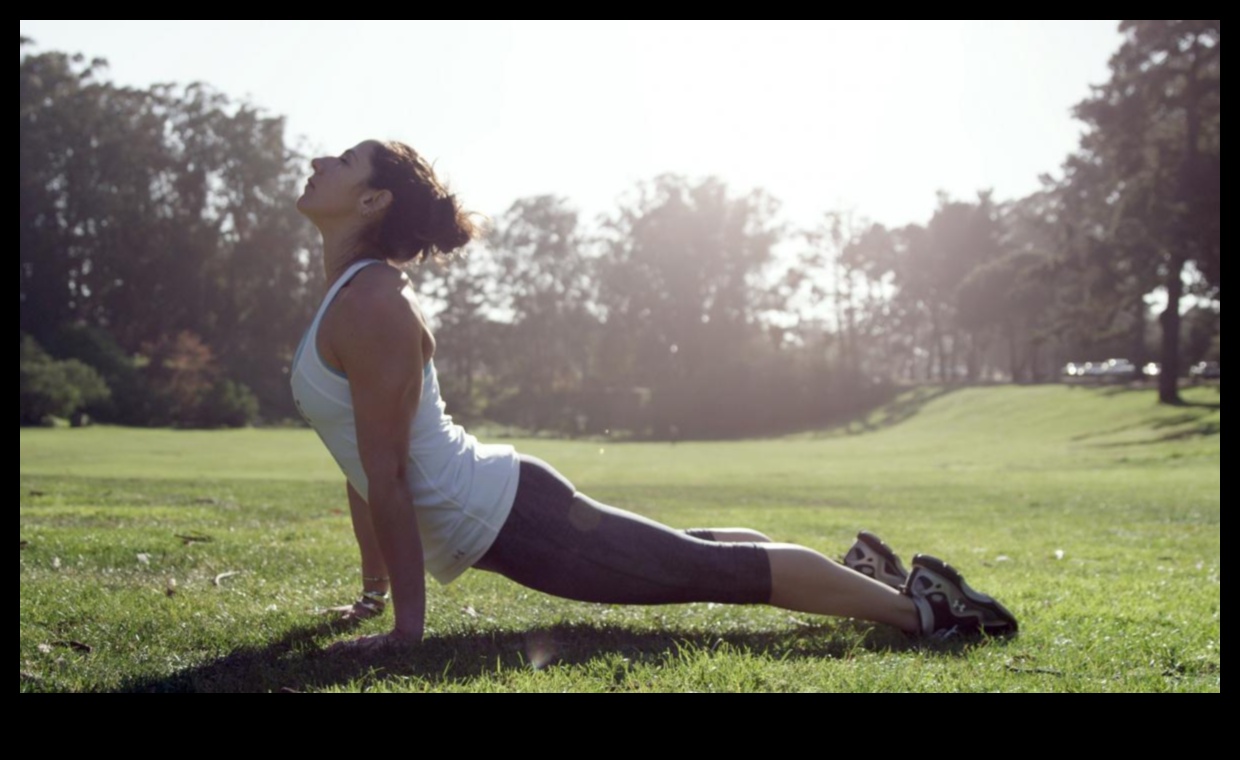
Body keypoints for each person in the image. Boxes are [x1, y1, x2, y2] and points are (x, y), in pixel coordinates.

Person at [291, 140, 1018, 651]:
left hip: (512, 516)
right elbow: (361, 462)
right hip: (509, 511)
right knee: (688, 554)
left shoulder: (374, 304)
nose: (321, 161)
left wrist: (404, 634)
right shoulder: (350, 299)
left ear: (373, 198)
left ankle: (925, 611)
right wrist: (374, 592)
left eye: (344, 159)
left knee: (711, 573)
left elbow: (385, 474)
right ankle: (858, 577)